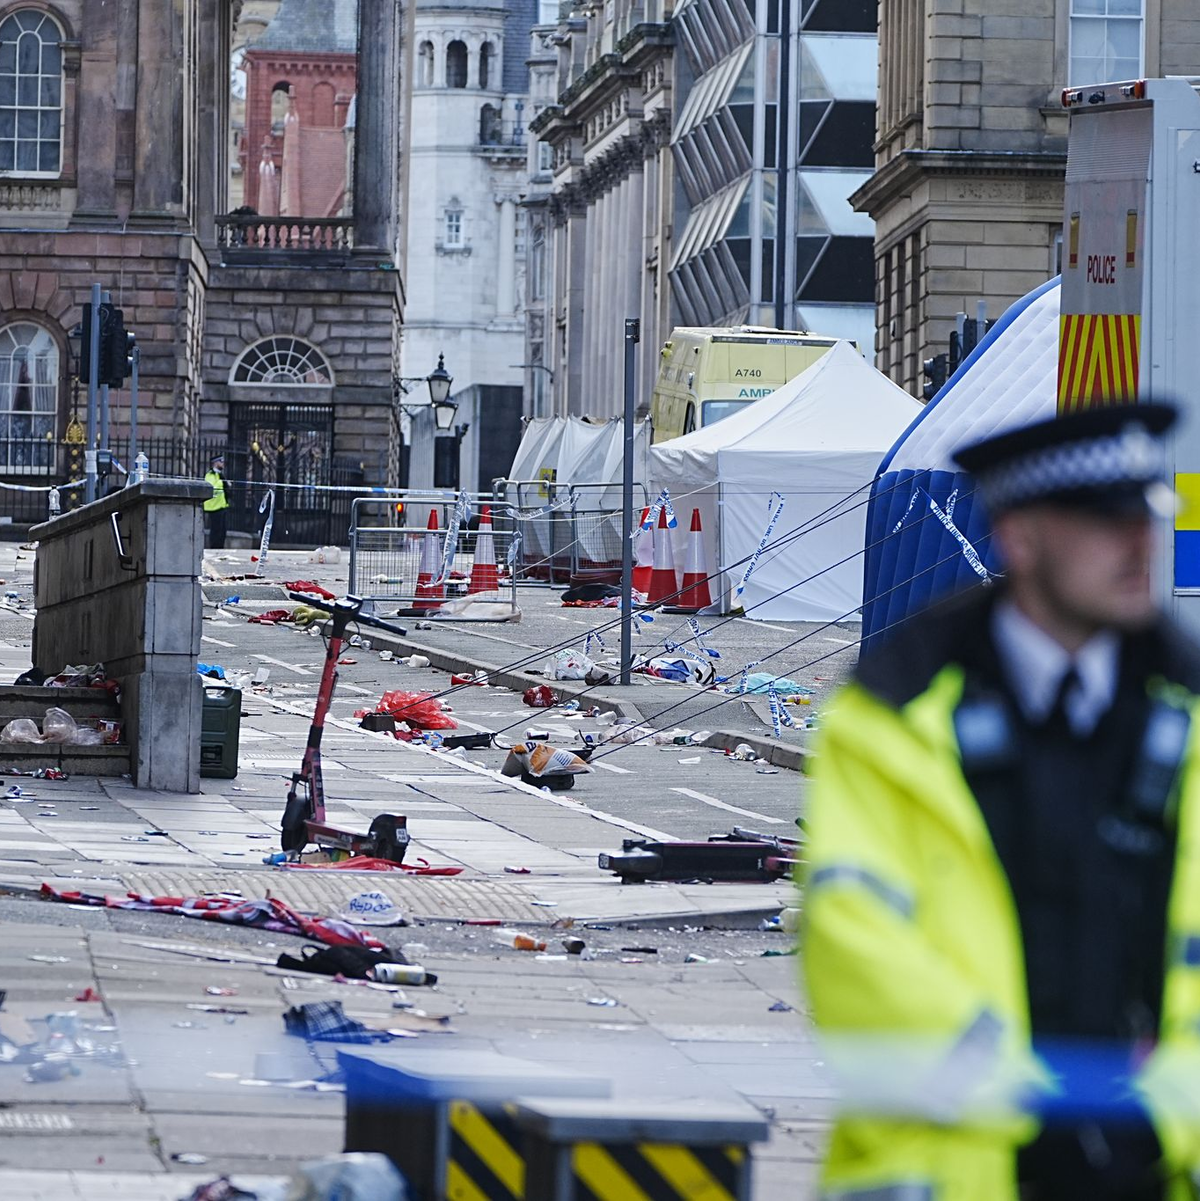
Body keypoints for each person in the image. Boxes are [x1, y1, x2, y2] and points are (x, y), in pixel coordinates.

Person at [801, 403, 1200, 1200]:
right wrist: (1007, 1083)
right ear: (1019, 539)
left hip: (1149, 1168)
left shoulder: (1184, 716)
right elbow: (853, 940)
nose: (1140, 543)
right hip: (958, 1168)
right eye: (1103, 520)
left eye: (1148, 516)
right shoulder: (891, 719)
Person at [203, 454, 230, 549]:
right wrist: (223, 482)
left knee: (222, 530)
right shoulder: (210, 475)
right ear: (215, 463)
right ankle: (214, 547)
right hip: (213, 507)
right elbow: (212, 487)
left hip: (222, 505)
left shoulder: (220, 475)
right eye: (221, 461)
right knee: (215, 530)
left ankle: (220, 547)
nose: (223, 464)